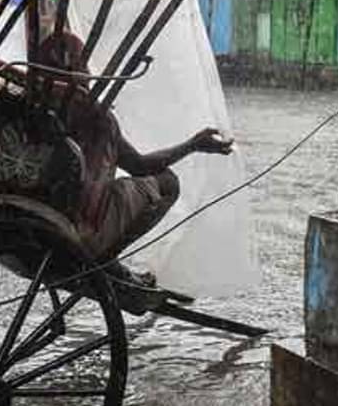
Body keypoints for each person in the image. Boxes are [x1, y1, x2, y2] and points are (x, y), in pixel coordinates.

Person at [33, 22, 234, 284]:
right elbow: (139, 165)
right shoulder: (95, 117)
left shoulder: (30, 102)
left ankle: (105, 258)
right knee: (168, 182)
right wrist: (192, 145)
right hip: (75, 225)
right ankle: (104, 259)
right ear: (80, 71)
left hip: (37, 209)